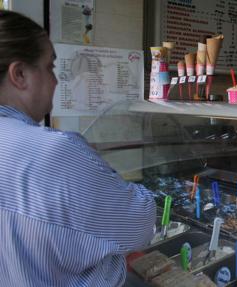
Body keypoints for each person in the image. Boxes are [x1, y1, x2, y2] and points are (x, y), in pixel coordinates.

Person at [0, 10, 155, 286]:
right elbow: (141, 225)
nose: (56, 81)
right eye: (49, 67)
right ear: (20, 74)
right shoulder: (56, 152)